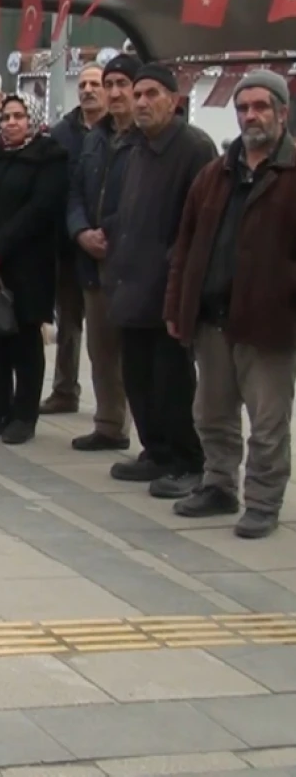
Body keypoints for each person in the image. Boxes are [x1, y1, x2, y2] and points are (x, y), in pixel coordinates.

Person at [165, 72, 296, 539]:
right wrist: (178, 306)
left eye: (261, 106)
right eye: (244, 108)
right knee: (212, 414)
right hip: (211, 320)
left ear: (282, 111)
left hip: (269, 325)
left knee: (268, 424)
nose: (251, 116)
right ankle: (219, 485)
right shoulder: (215, 173)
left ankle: (263, 501)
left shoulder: (290, 173)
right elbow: (185, 246)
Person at [104, 64, 216, 498]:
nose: (143, 102)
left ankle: (189, 459)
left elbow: (200, 224)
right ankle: (156, 450)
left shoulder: (193, 148)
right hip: (129, 282)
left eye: (153, 94)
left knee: (172, 381)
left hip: (166, 287)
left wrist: (174, 272)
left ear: (174, 99)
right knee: (137, 377)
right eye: (139, 94)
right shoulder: (133, 146)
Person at [0, 94, 70, 444]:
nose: (10, 122)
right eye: (5, 116)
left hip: (27, 264)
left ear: (32, 120)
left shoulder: (49, 157)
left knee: (24, 340)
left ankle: (24, 415)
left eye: (19, 116)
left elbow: (40, 209)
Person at [64, 55, 138, 452]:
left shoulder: (152, 139)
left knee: (140, 356)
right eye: (107, 84)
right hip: (93, 260)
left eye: (120, 84)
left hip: (135, 265)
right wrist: (80, 232)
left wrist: (112, 234)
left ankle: (157, 438)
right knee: (102, 349)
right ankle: (110, 425)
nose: (111, 92)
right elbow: (74, 191)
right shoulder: (94, 138)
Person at [39, 64, 106, 416]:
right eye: (83, 84)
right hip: (68, 244)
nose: (88, 90)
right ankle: (65, 390)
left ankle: (110, 404)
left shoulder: (119, 130)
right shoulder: (61, 133)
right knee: (68, 321)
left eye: (95, 84)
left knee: (105, 331)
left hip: (108, 246)